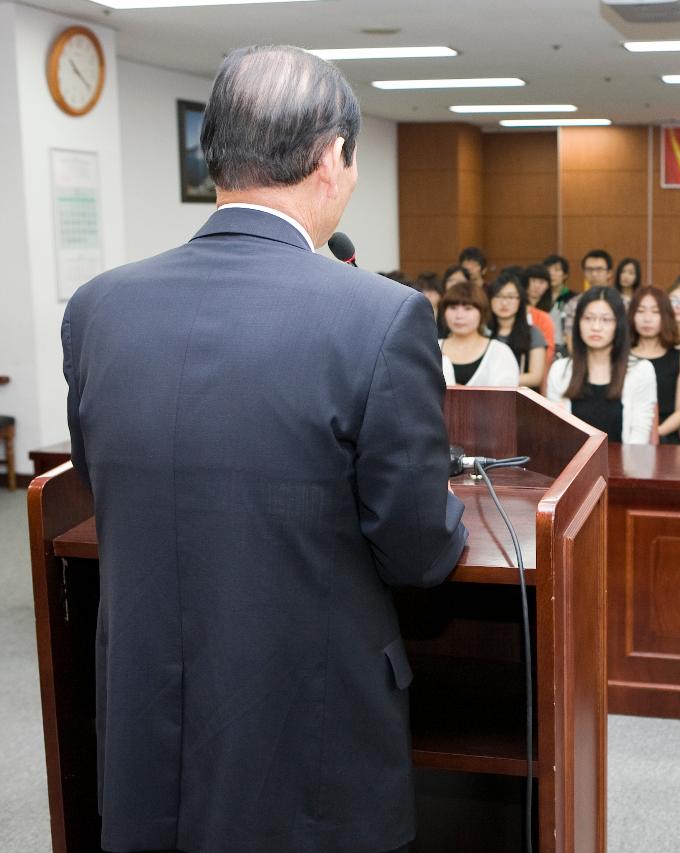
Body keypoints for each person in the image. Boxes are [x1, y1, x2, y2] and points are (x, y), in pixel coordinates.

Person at [60, 45, 467, 853]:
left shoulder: (98, 308)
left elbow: (110, 491)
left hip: (148, 725)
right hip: (306, 733)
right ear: (331, 158)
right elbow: (418, 550)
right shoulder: (380, 317)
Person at [546, 287, 657, 444]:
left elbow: (639, 437)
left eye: (605, 320)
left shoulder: (641, 371)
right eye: (588, 318)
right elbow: (555, 435)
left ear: (619, 325)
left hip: (626, 465)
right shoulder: (560, 371)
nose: (596, 327)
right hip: (574, 466)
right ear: (578, 323)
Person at [629, 286, 680, 444]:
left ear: (666, 316)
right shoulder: (622, 357)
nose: (647, 318)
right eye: (641, 311)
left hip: (666, 438)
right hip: (627, 436)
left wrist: (655, 433)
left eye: (655, 312)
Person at [439, 281, 519, 386]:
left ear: (482, 313)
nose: (459, 316)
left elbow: (506, 398)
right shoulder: (430, 349)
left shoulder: (500, 352)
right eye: (453, 308)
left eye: (468, 308)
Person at [486, 271, 547, 389]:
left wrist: (497, 381)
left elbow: (535, 377)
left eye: (510, 297)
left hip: (520, 400)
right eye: (498, 296)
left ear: (520, 301)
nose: (504, 302)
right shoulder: (482, 332)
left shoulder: (533, 333)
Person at [560, 249, 614, 345]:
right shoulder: (573, 304)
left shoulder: (624, 303)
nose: (594, 274)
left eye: (599, 269)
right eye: (589, 270)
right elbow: (570, 339)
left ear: (609, 272)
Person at [521, 263, 558, 367]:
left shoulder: (548, 313)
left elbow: (550, 348)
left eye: (542, 282)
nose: (537, 286)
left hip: (540, 364)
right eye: (533, 281)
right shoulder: (518, 308)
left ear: (547, 286)